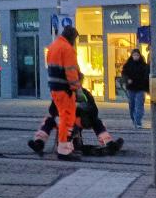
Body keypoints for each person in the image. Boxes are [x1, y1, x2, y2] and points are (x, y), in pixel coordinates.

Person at [34, 26, 84, 161]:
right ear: (72, 37)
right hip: (65, 89)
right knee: (67, 119)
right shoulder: (67, 49)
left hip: (55, 88)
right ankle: (64, 150)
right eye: (75, 39)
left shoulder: (53, 46)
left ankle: (59, 146)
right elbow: (71, 71)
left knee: (59, 116)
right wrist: (76, 88)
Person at [29, 87, 124, 156]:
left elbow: (93, 110)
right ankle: (39, 143)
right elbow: (52, 110)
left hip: (80, 120)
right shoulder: (61, 94)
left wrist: (80, 110)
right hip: (64, 121)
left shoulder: (84, 93)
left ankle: (108, 143)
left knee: (96, 122)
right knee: (49, 120)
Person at [120, 49, 149, 129]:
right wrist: (127, 80)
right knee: (132, 105)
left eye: (137, 55)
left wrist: (146, 86)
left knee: (139, 105)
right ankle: (134, 119)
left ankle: (138, 121)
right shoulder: (128, 65)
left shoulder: (143, 65)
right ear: (132, 56)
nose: (135, 57)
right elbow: (123, 74)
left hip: (140, 88)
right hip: (131, 88)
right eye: (134, 55)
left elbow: (147, 76)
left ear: (139, 56)